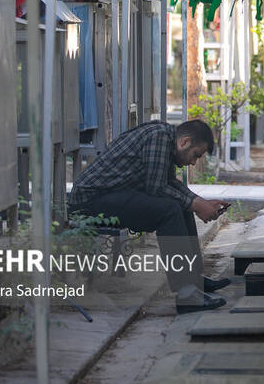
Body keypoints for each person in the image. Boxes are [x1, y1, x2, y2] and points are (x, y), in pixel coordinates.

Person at [67, 120, 231, 314]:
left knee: (180, 205)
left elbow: (167, 182)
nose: (194, 162)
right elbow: (157, 188)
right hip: (90, 201)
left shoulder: (166, 139)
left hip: (110, 196)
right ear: (185, 142)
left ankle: (193, 280)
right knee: (169, 210)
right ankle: (187, 294)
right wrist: (196, 205)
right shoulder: (158, 138)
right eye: (196, 155)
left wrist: (199, 201)